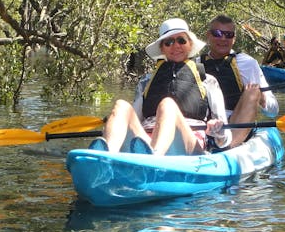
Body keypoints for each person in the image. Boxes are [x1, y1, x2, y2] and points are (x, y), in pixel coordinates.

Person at [91, 18, 231, 155]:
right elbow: (135, 120)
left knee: (167, 105)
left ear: (189, 44)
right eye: (169, 42)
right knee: (121, 105)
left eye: (181, 40)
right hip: (147, 142)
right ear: (162, 48)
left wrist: (219, 131)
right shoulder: (146, 81)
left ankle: (155, 157)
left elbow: (225, 139)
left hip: (189, 143)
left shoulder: (208, 81)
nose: (176, 46)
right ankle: (105, 156)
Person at [200, 14, 279, 148]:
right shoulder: (196, 64)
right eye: (217, 33)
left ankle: (228, 148)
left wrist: (261, 97)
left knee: (253, 93)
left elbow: (273, 111)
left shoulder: (247, 63)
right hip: (207, 126)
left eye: (228, 35)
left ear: (234, 39)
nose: (223, 39)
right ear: (208, 35)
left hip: (236, 125)